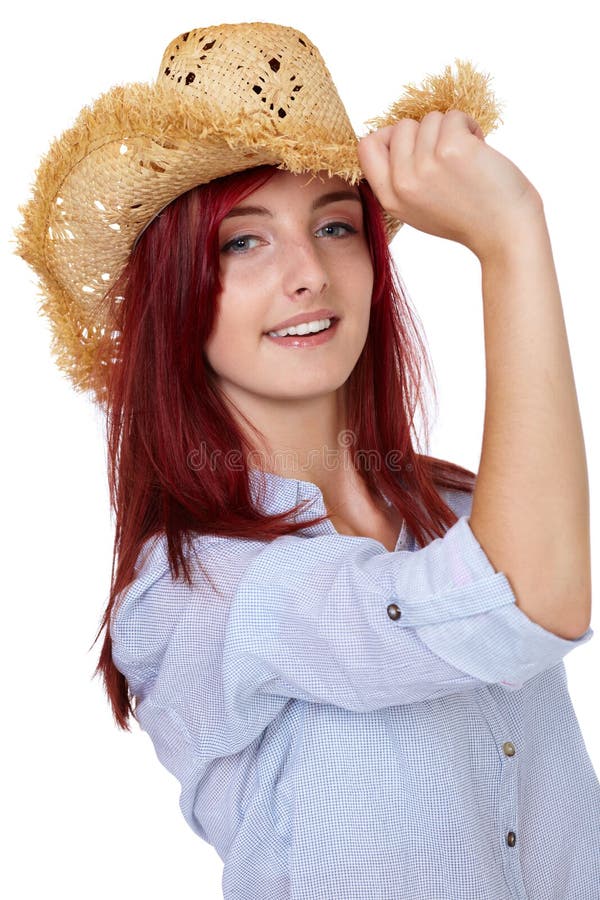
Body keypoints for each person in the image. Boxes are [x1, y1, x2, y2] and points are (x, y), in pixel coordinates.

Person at [15, 20, 599, 900]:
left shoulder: (458, 505)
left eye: (335, 224)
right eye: (242, 241)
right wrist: (512, 239)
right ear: (175, 289)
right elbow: (522, 603)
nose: (309, 274)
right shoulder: (198, 592)